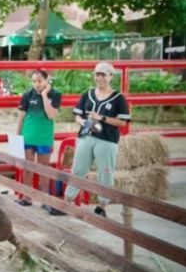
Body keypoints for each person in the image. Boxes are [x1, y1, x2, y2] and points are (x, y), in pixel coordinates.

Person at [52, 62, 131, 217]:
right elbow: (77, 115)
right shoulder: (87, 94)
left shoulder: (118, 99)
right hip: (86, 136)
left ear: (111, 76)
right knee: (78, 169)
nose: (99, 78)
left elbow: (122, 122)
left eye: (103, 74)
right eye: (97, 74)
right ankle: (67, 203)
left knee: (105, 172)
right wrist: (81, 121)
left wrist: (101, 118)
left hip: (107, 140)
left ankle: (102, 207)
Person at [15, 70, 61, 207]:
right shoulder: (27, 95)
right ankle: (26, 198)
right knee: (28, 169)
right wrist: (18, 137)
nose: (37, 84)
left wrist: (45, 95)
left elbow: (51, 115)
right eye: (34, 81)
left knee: (43, 170)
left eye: (40, 81)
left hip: (44, 138)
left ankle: (45, 200)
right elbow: (21, 117)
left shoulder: (55, 95)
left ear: (47, 80)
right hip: (28, 136)